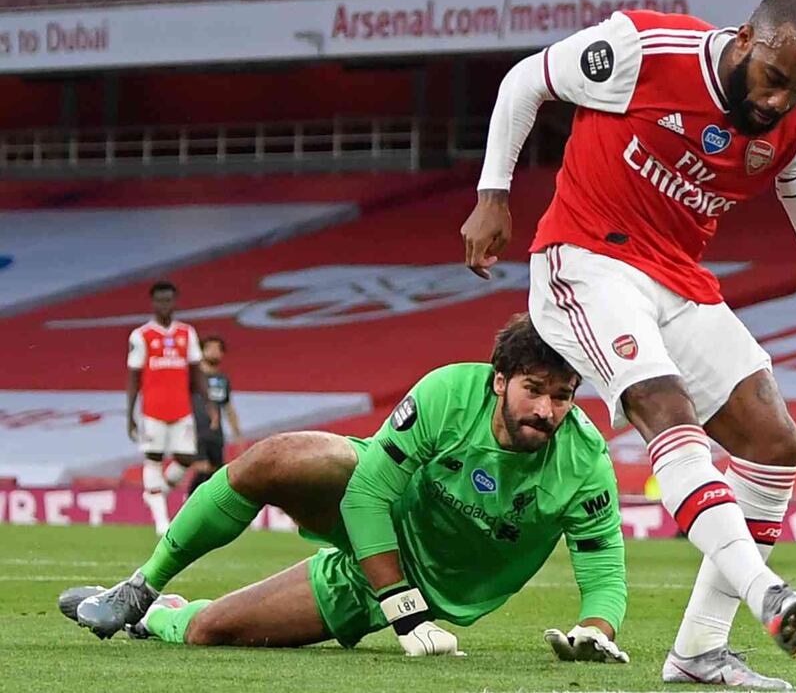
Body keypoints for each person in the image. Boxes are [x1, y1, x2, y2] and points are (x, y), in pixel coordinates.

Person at [461, 0, 796, 688]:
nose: (780, 101)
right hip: (584, 258)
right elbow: (527, 80)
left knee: (774, 441)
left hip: (677, 281)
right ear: (744, 39)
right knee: (662, 404)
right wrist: (493, 194)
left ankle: (700, 651)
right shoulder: (645, 50)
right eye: (774, 78)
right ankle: (765, 592)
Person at [61, 314, 628, 664]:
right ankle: (138, 588)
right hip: (382, 506)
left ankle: (157, 615)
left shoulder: (584, 461)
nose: (547, 411)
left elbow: (604, 571)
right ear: (499, 380)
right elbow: (366, 494)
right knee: (276, 458)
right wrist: (405, 615)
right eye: (534, 390)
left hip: (403, 581)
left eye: (563, 396)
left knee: (209, 633)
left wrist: (595, 631)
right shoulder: (448, 394)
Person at [127, 280, 211, 535]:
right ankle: (161, 521)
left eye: (169, 300)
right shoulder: (141, 335)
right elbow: (133, 378)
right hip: (152, 410)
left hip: (181, 409)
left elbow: (196, 372)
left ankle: (156, 493)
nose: (165, 304)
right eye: (160, 300)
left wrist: (208, 403)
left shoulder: (187, 333)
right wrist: (130, 414)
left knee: (186, 459)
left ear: (175, 302)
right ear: (153, 303)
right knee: (153, 457)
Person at [189, 335, 241, 496]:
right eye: (210, 348)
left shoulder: (222, 379)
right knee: (202, 470)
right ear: (202, 351)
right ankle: (188, 507)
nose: (214, 352)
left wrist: (237, 433)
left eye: (218, 349)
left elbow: (228, 407)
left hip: (216, 434)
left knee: (215, 475)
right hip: (197, 431)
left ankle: (206, 513)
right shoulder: (193, 377)